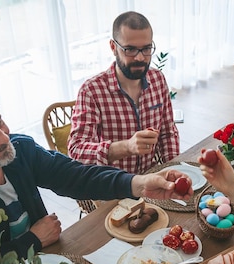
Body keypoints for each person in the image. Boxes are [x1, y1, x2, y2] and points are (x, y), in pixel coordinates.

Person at [0, 91, 191, 264]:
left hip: (50, 261)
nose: (4, 137)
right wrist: (33, 240)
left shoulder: (21, 149)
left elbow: (76, 176)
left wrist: (139, 184)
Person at [68, 11, 180, 174]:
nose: (140, 58)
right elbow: (76, 151)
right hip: (112, 186)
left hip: (152, 179)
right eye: (130, 50)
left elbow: (168, 133)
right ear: (113, 47)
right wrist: (126, 147)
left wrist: (174, 169)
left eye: (146, 48)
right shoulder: (91, 91)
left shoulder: (158, 79)